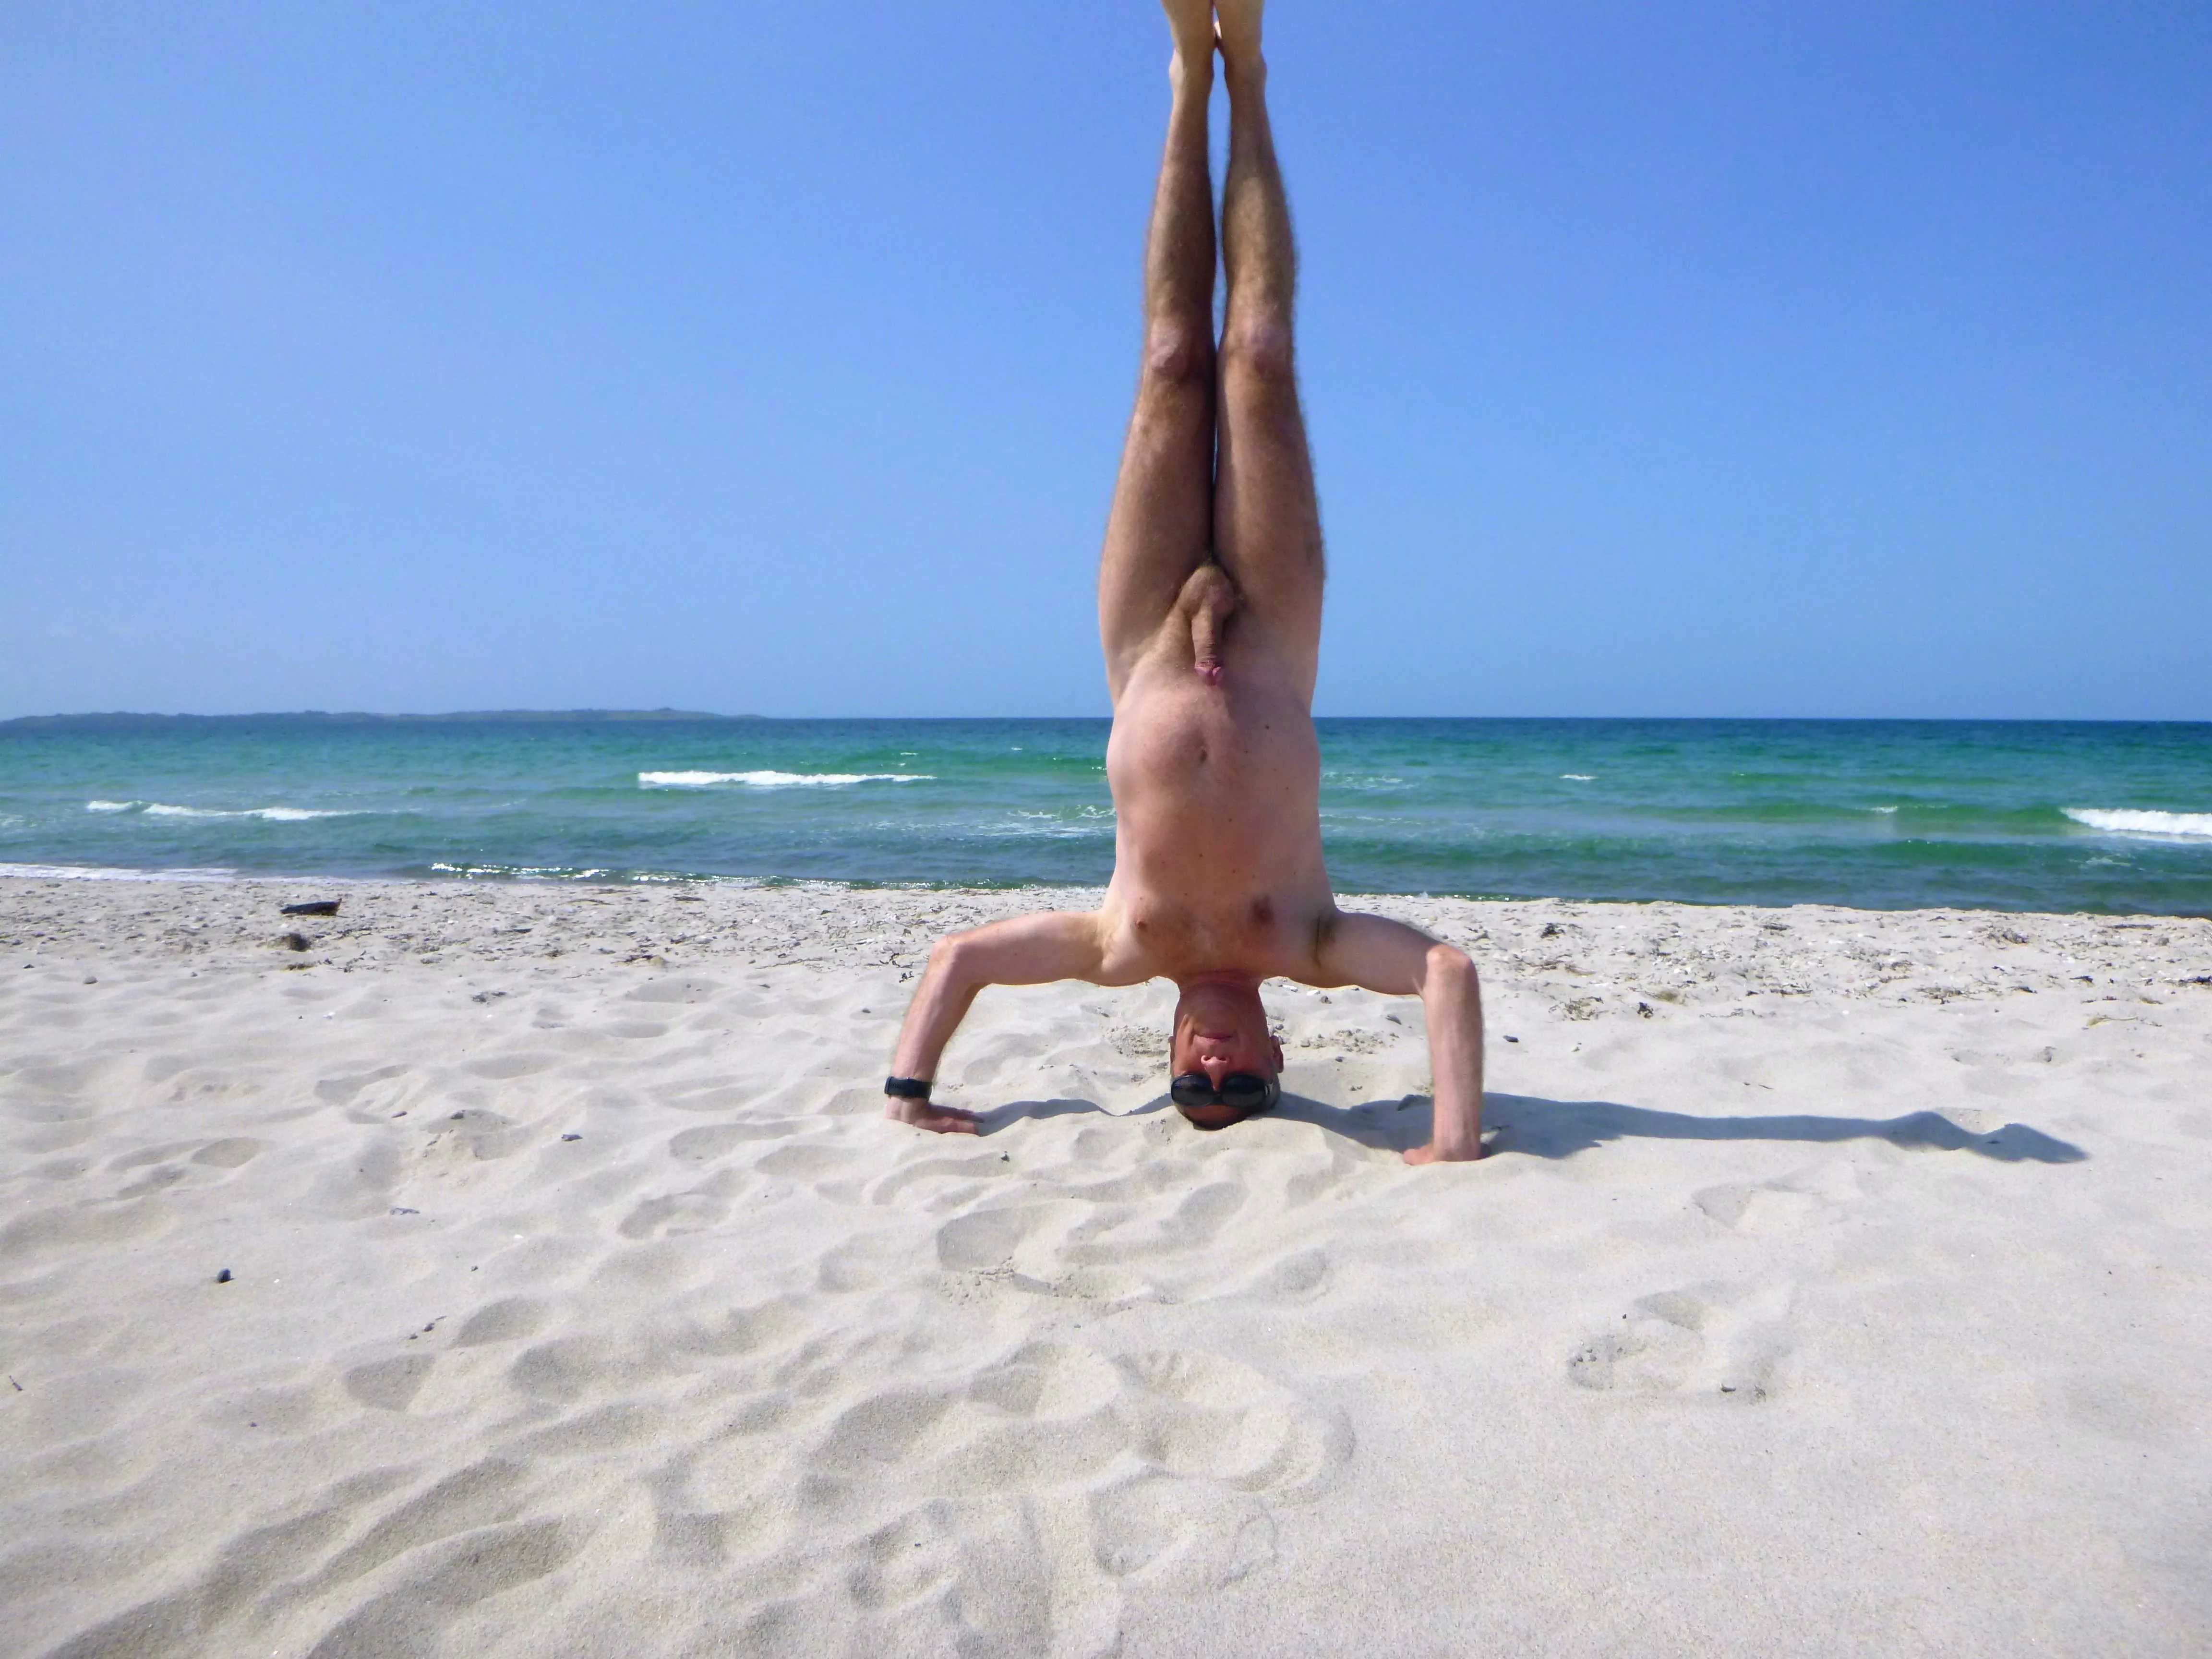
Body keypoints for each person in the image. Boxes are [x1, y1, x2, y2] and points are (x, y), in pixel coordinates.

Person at [883, 0, 1485, 1164]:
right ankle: (1246, 71)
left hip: (1145, 643)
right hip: (1275, 635)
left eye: (1193, 1087)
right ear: (1273, 1055)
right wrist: (1454, 1135)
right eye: (1241, 1085)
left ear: (1166, 1053)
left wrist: (910, 1087)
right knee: (1253, 358)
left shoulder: (1118, 945)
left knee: (1172, 358)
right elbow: (1444, 975)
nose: (1214, 1070)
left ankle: (1182, 78)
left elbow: (957, 958)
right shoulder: (1309, 942)